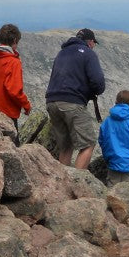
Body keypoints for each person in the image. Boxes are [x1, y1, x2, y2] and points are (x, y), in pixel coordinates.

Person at [44, 28, 105, 169]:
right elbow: (98, 82)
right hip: (72, 102)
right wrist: (93, 91)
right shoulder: (88, 53)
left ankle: (63, 184)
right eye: (94, 43)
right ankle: (76, 184)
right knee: (88, 144)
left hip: (52, 102)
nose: (94, 45)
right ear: (90, 42)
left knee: (65, 146)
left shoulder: (61, 53)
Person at [0, 23, 31, 133]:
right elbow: (14, 90)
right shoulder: (14, 62)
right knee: (12, 146)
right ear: (15, 40)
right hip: (8, 113)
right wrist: (26, 105)